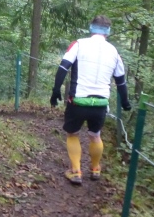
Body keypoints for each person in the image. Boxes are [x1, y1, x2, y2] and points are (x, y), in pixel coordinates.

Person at [50, 15, 131, 185]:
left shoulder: (79, 44)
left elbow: (63, 67)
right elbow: (121, 81)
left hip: (78, 101)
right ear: (108, 32)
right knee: (95, 135)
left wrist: (56, 90)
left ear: (91, 28)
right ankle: (95, 169)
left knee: (72, 133)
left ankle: (75, 171)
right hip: (100, 103)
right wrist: (125, 102)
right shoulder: (114, 52)